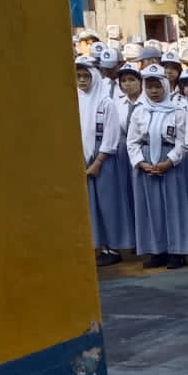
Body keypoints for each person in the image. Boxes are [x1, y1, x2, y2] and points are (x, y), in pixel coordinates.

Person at [126, 66, 188, 269]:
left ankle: (178, 251)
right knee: (152, 208)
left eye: (157, 86)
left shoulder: (177, 111)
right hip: (147, 162)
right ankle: (157, 250)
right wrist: (141, 162)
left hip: (171, 162)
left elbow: (183, 141)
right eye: (149, 87)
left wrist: (169, 161)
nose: (153, 91)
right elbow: (132, 141)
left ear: (166, 86)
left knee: (174, 207)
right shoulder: (140, 111)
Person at [79, 57, 134, 266]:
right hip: (83, 156)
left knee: (108, 203)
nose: (82, 80)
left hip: (103, 158)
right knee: (91, 205)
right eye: (78, 76)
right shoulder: (75, 99)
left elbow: (111, 136)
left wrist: (98, 161)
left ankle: (113, 246)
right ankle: (99, 245)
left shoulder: (106, 102)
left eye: (86, 76)